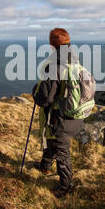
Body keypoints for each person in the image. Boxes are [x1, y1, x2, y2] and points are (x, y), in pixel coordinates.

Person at [31, 28, 85, 198]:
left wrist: (35, 92)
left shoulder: (56, 64)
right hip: (75, 113)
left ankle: (66, 187)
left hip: (61, 116)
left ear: (52, 44)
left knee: (62, 151)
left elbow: (44, 99)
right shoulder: (74, 60)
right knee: (52, 140)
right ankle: (45, 166)